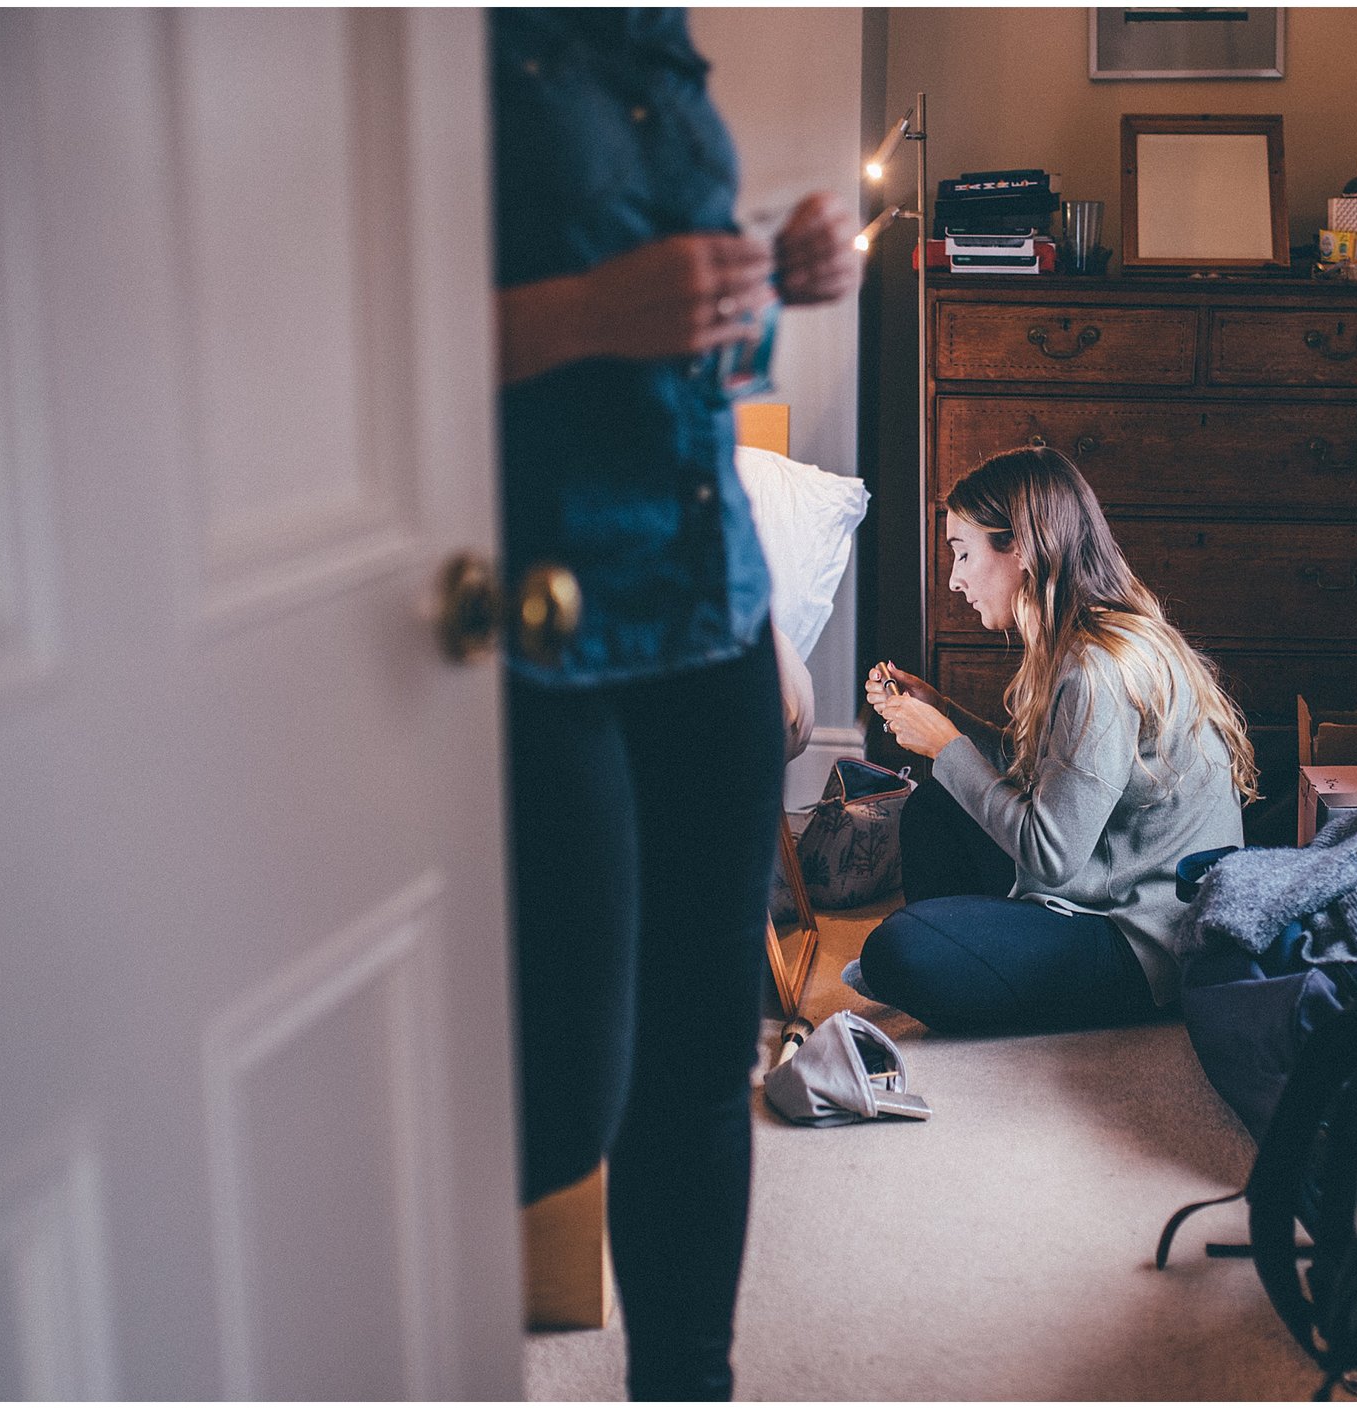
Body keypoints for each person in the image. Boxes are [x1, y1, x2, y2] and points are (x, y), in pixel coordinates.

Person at [489, 9, 857, 1400]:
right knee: (562, 1089)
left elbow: (683, 358)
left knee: (704, 1061)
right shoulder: (432, 40)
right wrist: (590, 314)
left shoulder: (654, 27)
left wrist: (771, 260)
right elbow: (336, 345)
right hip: (534, 622)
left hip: (704, 602)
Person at [856, 447, 1256, 1034]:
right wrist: (946, 717)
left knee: (898, 951)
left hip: (1141, 940)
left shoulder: (1099, 669)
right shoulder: (1086, 638)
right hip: (1103, 888)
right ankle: (977, 954)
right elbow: (1050, 777)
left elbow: (1053, 853)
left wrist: (946, 746)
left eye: (963, 553)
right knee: (936, 807)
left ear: (1019, 548)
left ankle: (970, 957)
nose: (955, 578)